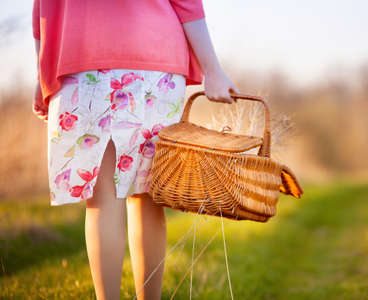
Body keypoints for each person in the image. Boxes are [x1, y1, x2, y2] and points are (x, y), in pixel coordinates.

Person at [32, 0, 240, 299]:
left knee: (103, 199)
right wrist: (212, 69)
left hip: (79, 58)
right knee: (148, 196)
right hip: (154, 60)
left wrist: (42, 72)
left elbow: (43, 8)